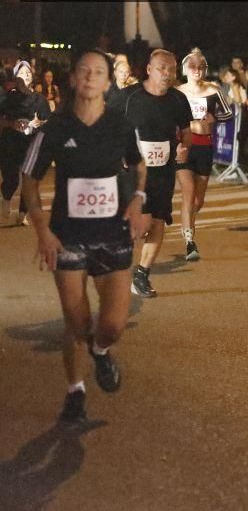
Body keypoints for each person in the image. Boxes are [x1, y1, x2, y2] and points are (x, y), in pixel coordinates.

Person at [19, 49, 150, 424]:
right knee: (75, 323)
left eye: (99, 72)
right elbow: (29, 179)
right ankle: (75, 391)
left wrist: (138, 200)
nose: (91, 77)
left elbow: (140, 166)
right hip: (68, 237)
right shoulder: (54, 129)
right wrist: (42, 230)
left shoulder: (121, 126)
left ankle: (101, 350)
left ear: (108, 83)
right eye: (84, 70)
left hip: (113, 234)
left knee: (112, 325)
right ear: (74, 79)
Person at [120, 49, 192, 298]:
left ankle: (141, 275)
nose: (167, 73)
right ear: (149, 69)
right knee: (140, 225)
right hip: (133, 173)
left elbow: (186, 131)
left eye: (172, 69)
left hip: (163, 171)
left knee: (159, 220)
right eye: (162, 68)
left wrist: (184, 148)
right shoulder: (129, 97)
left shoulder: (178, 99)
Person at [176, 48, 233, 261]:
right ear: (185, 69)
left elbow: (228, 113)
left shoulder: (213, 89)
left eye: (200, 67)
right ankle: (190, 241)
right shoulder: (178, 92)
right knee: (188, 193)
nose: (196, 70)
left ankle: (187, 222)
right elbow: (168, 116)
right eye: (192, 66)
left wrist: (214, 118)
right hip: (185, 145)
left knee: (198, 201)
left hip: (205, 146)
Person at [0, 60, 51, 224]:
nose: (25, 76)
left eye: (28, 73)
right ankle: (6, 196)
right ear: (16, 77)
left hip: (31, 143)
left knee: (29, 180)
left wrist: (38, 124)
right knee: (12, 179)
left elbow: (48, 122)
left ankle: (22, 214)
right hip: (10, 143)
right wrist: (11, 123)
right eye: (22, 73)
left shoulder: (40, 100)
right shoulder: (7, 98)